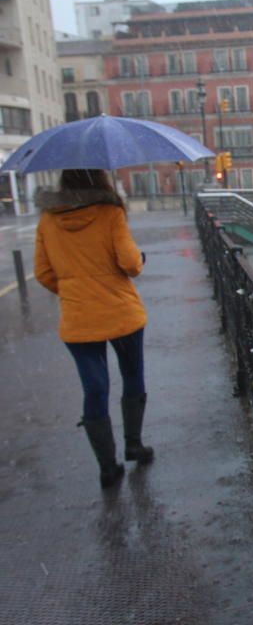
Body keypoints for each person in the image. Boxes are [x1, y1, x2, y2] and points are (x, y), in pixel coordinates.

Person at [34, 169, 154, 490]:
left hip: (78, 317)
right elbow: (130, 263)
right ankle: (134, 444)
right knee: (131, 375)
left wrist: (75, 292)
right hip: (120, 312)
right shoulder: (110, 213)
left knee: (95, 388)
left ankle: (107, 467)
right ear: (100, 181)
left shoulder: (48, 219)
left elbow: (43, 272)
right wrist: (138, 261)